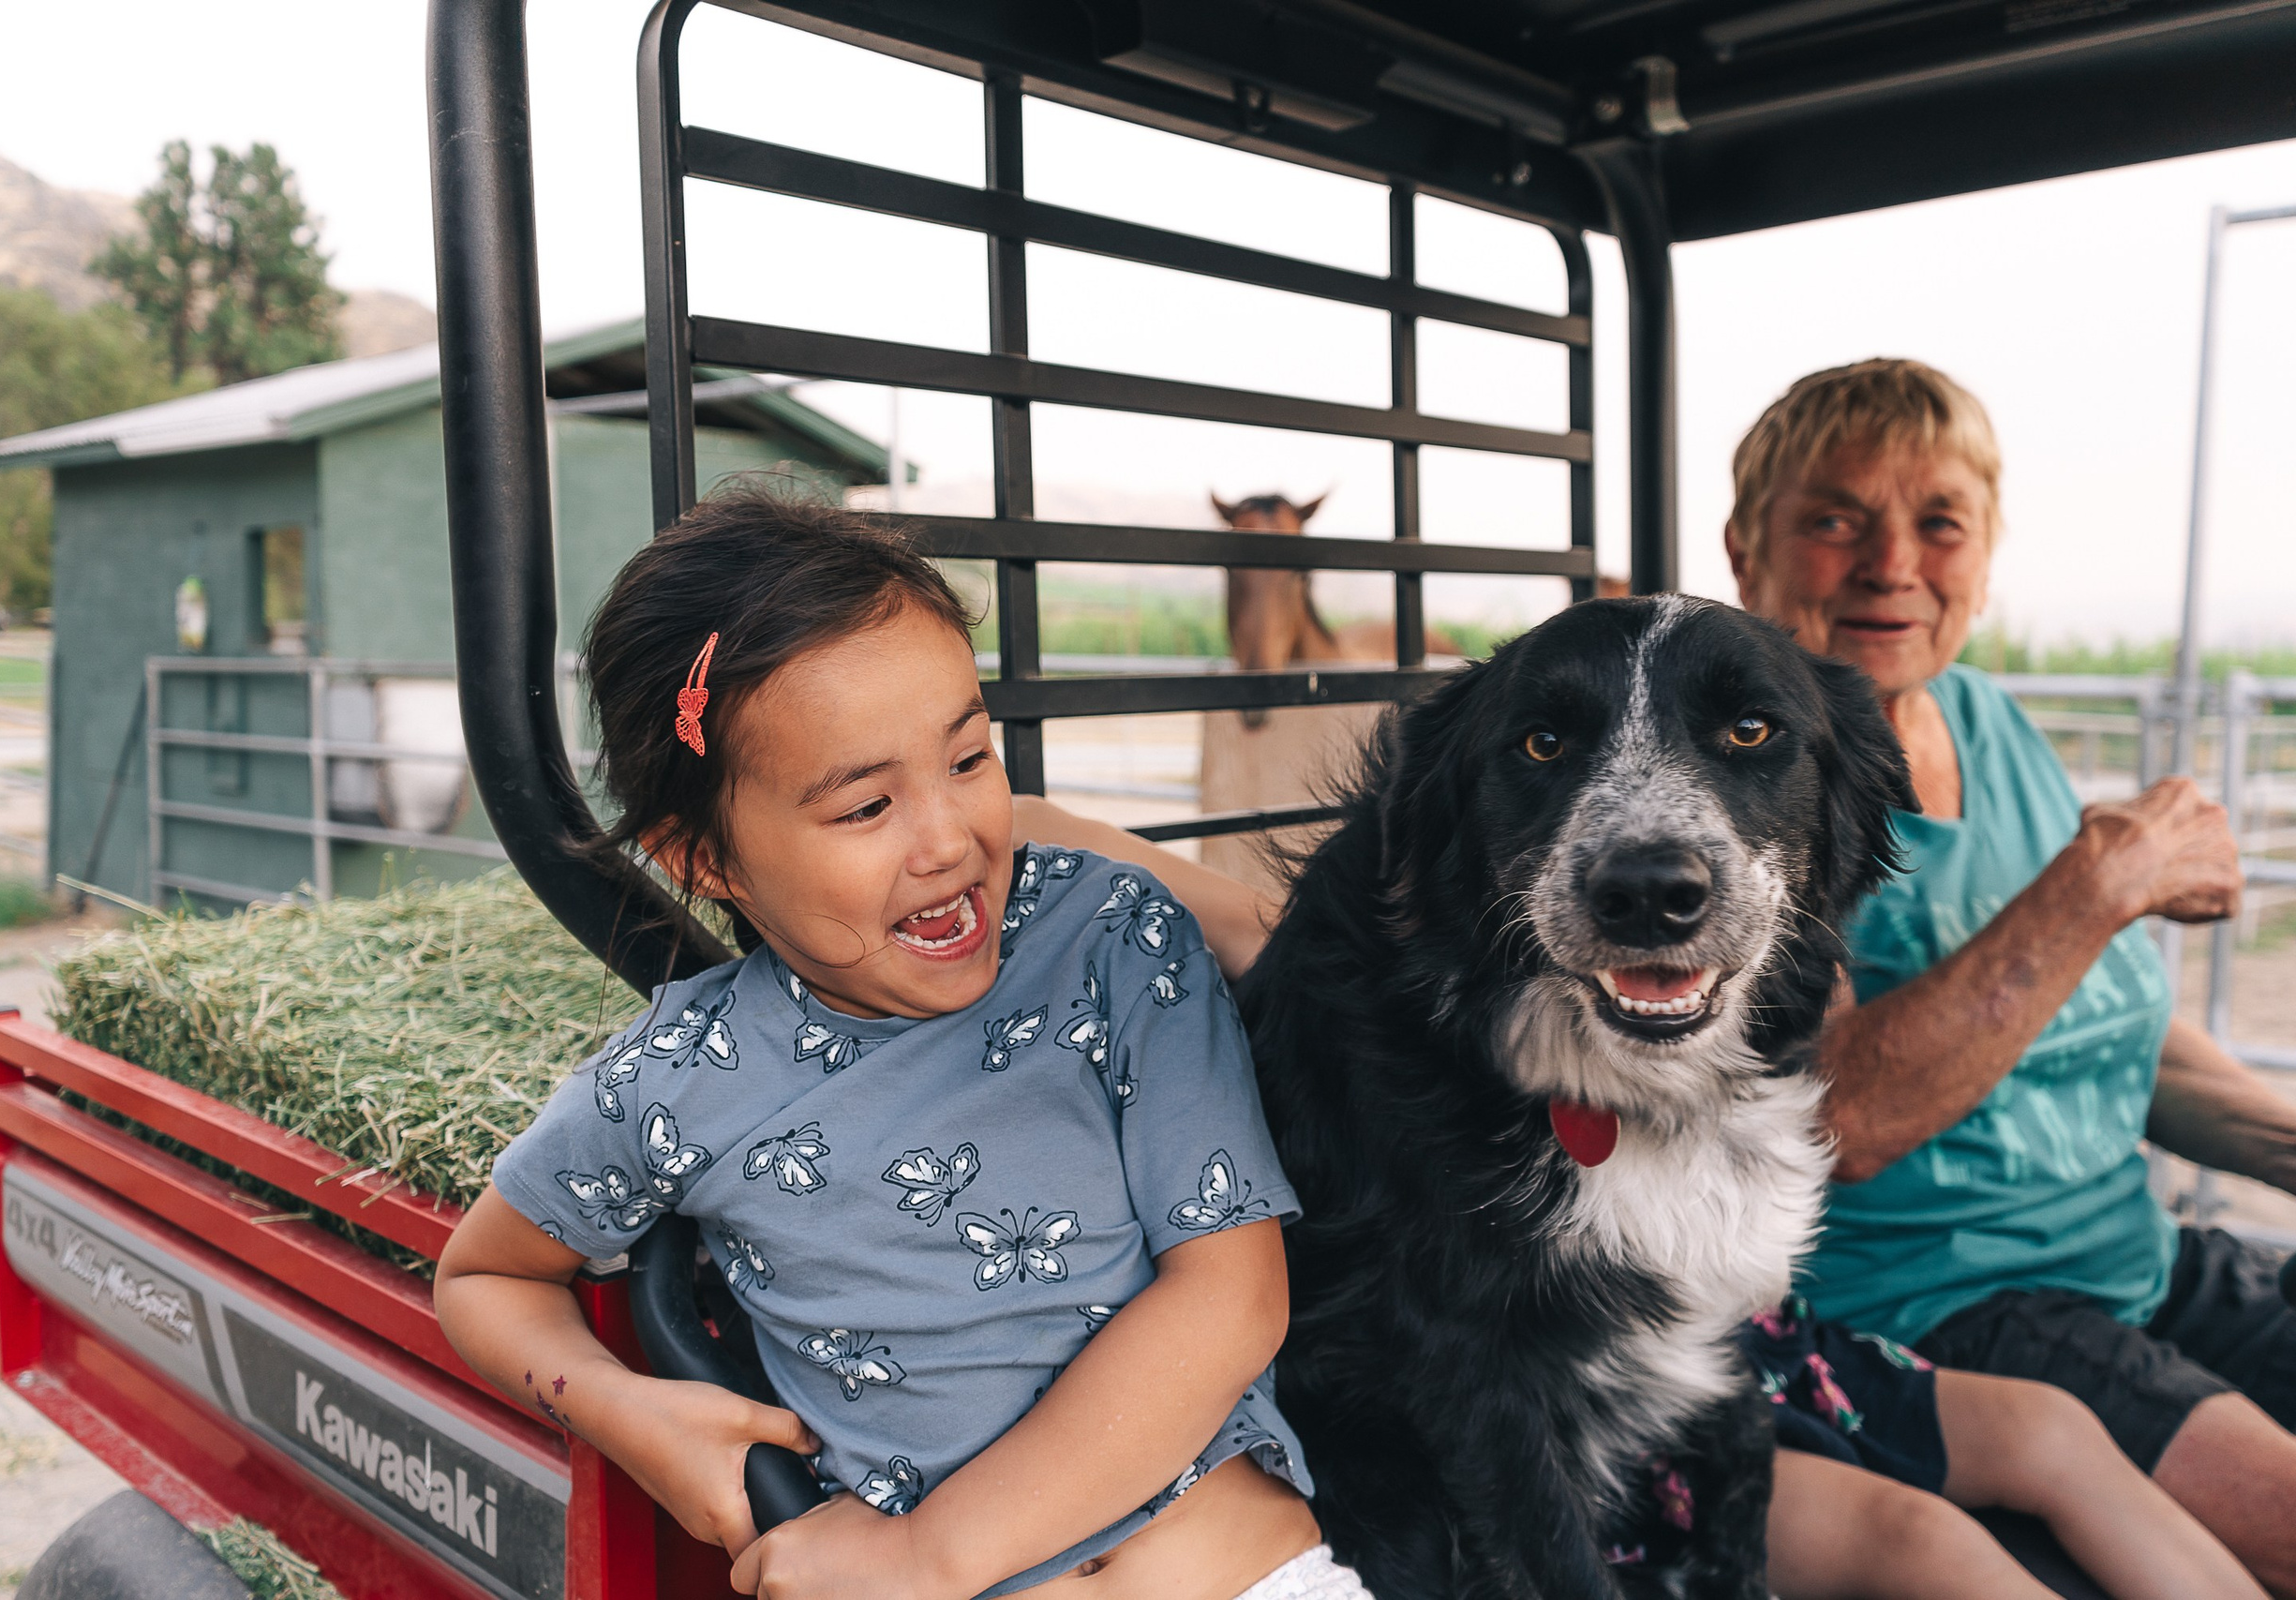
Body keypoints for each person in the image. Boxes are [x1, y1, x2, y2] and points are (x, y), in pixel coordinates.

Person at [434, 488, 1360, 1600]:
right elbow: (485, 1275)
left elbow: (1231, 1297)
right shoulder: (676, 1081)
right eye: (866, 808)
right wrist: (633, 1414)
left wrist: (927, 1553)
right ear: (703, 861)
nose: (947, 840)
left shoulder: (1107, 940)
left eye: (968, 760)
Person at [1014, 794, 2266, 1600]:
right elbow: (1234, 910)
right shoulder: (1384, 973)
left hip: (1725, 1334)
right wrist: (995, 815)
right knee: (1918, 1532)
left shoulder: (1762, 855)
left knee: (2047, 1427)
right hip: (1571, 1389)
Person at [1720, 358, 2296, 1594]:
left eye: (1939, 522)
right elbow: (1838, 1117)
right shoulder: (1750, 784)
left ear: (1985, 553)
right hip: (1951, 1302)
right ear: (1744, 550)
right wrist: (2093, 883)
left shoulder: (1985, 717)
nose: (1891, 561)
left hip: (2140, 1255)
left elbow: (2097, 1019)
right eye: (1833, 519)